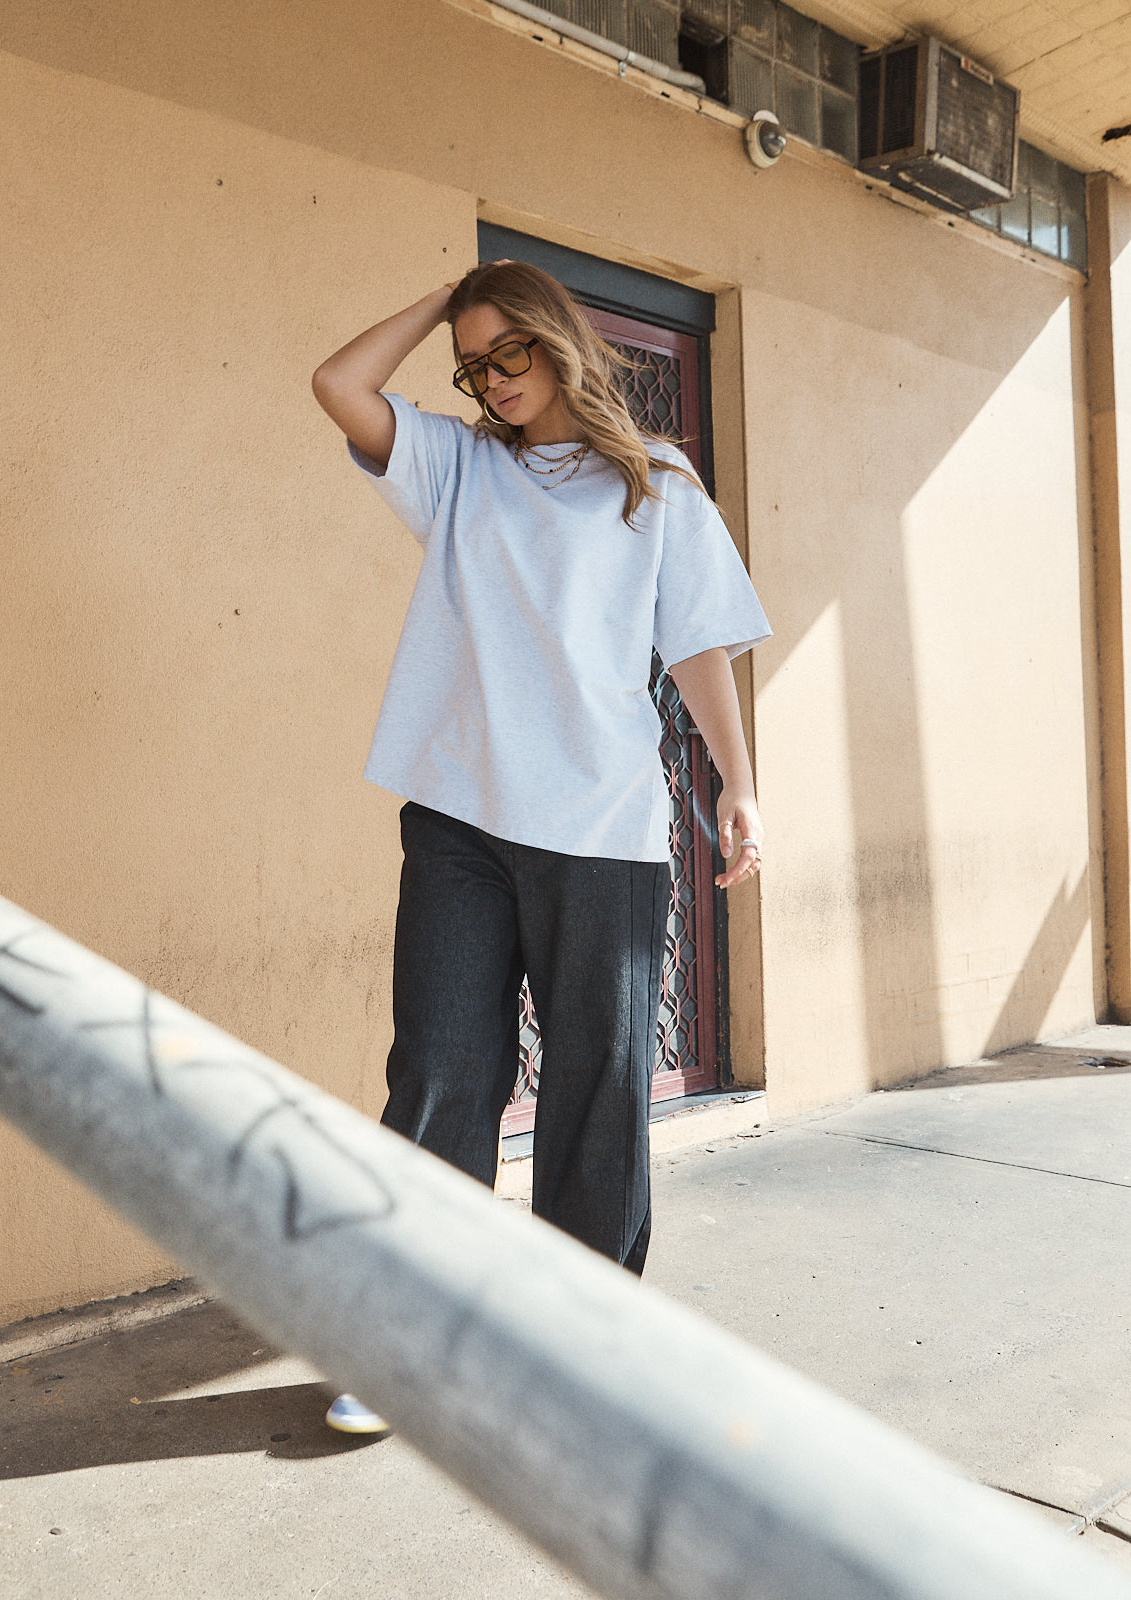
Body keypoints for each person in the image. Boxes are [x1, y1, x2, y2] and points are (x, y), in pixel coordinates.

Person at [311, 260, 770, 1433]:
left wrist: (737, 783)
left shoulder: (656, 484)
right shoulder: (458, 468)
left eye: (507, 353)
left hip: (601, 827)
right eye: (471, 365)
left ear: (556, 339)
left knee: (596, 1085)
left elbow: (700, 643)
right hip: (459, 813)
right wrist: (439, 297)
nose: (489, 380)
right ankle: (406, 1337)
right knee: (442, 1076)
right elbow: (336, 381)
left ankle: (581, 1345)